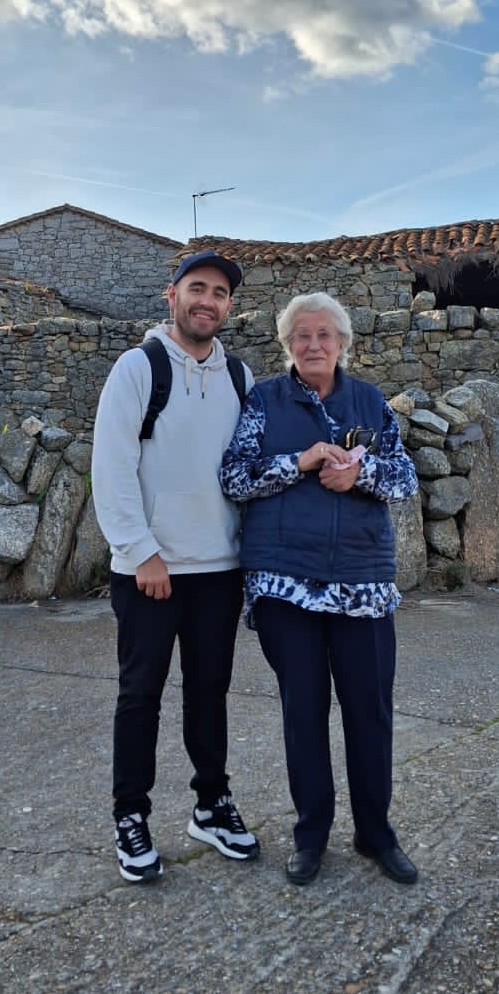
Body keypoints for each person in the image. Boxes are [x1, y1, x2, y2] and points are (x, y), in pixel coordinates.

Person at [220, 291, 419, 888]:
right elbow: (234, 476)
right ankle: (311, 835)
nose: (312, 345)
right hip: (286, 586)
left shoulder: (370, 402)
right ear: (287, 345)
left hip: (362, 584)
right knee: (303, 713)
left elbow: (405, 478)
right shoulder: (264, 400)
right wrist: (300, 462)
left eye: (324, 335)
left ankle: (375, 833)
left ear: (342, 344)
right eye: (301, 336)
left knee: (369, 712)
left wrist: (362, 472)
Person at [92, 249, 260, 883]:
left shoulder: (240, 377)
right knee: (140, 696)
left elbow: (248, 469)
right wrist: (141, 552)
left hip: (219, 569)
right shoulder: (139, 368)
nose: (207, 301)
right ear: (172, 295)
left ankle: (211, 805)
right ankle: (130, 816)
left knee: (209, 692)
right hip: (150, 571)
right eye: (197, 288)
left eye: (219, 292)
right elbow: (111, 467)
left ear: (229, 306)